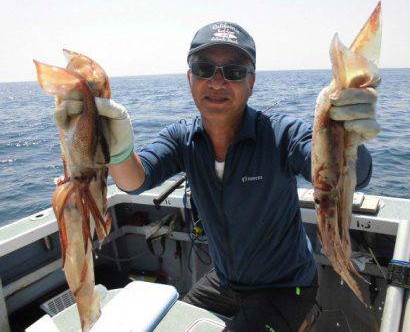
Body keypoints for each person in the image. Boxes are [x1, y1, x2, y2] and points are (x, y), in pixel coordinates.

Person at [58, 22, 379, 331]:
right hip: (225, 281)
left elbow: (346, 175)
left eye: (234, 72)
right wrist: (117, 148)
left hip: (286, 286)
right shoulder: (182, 138)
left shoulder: (280, 134)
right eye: (203, 68)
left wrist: (346, 141)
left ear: (251, 83)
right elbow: (134, 181)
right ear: (189, 79)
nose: (217, 81)